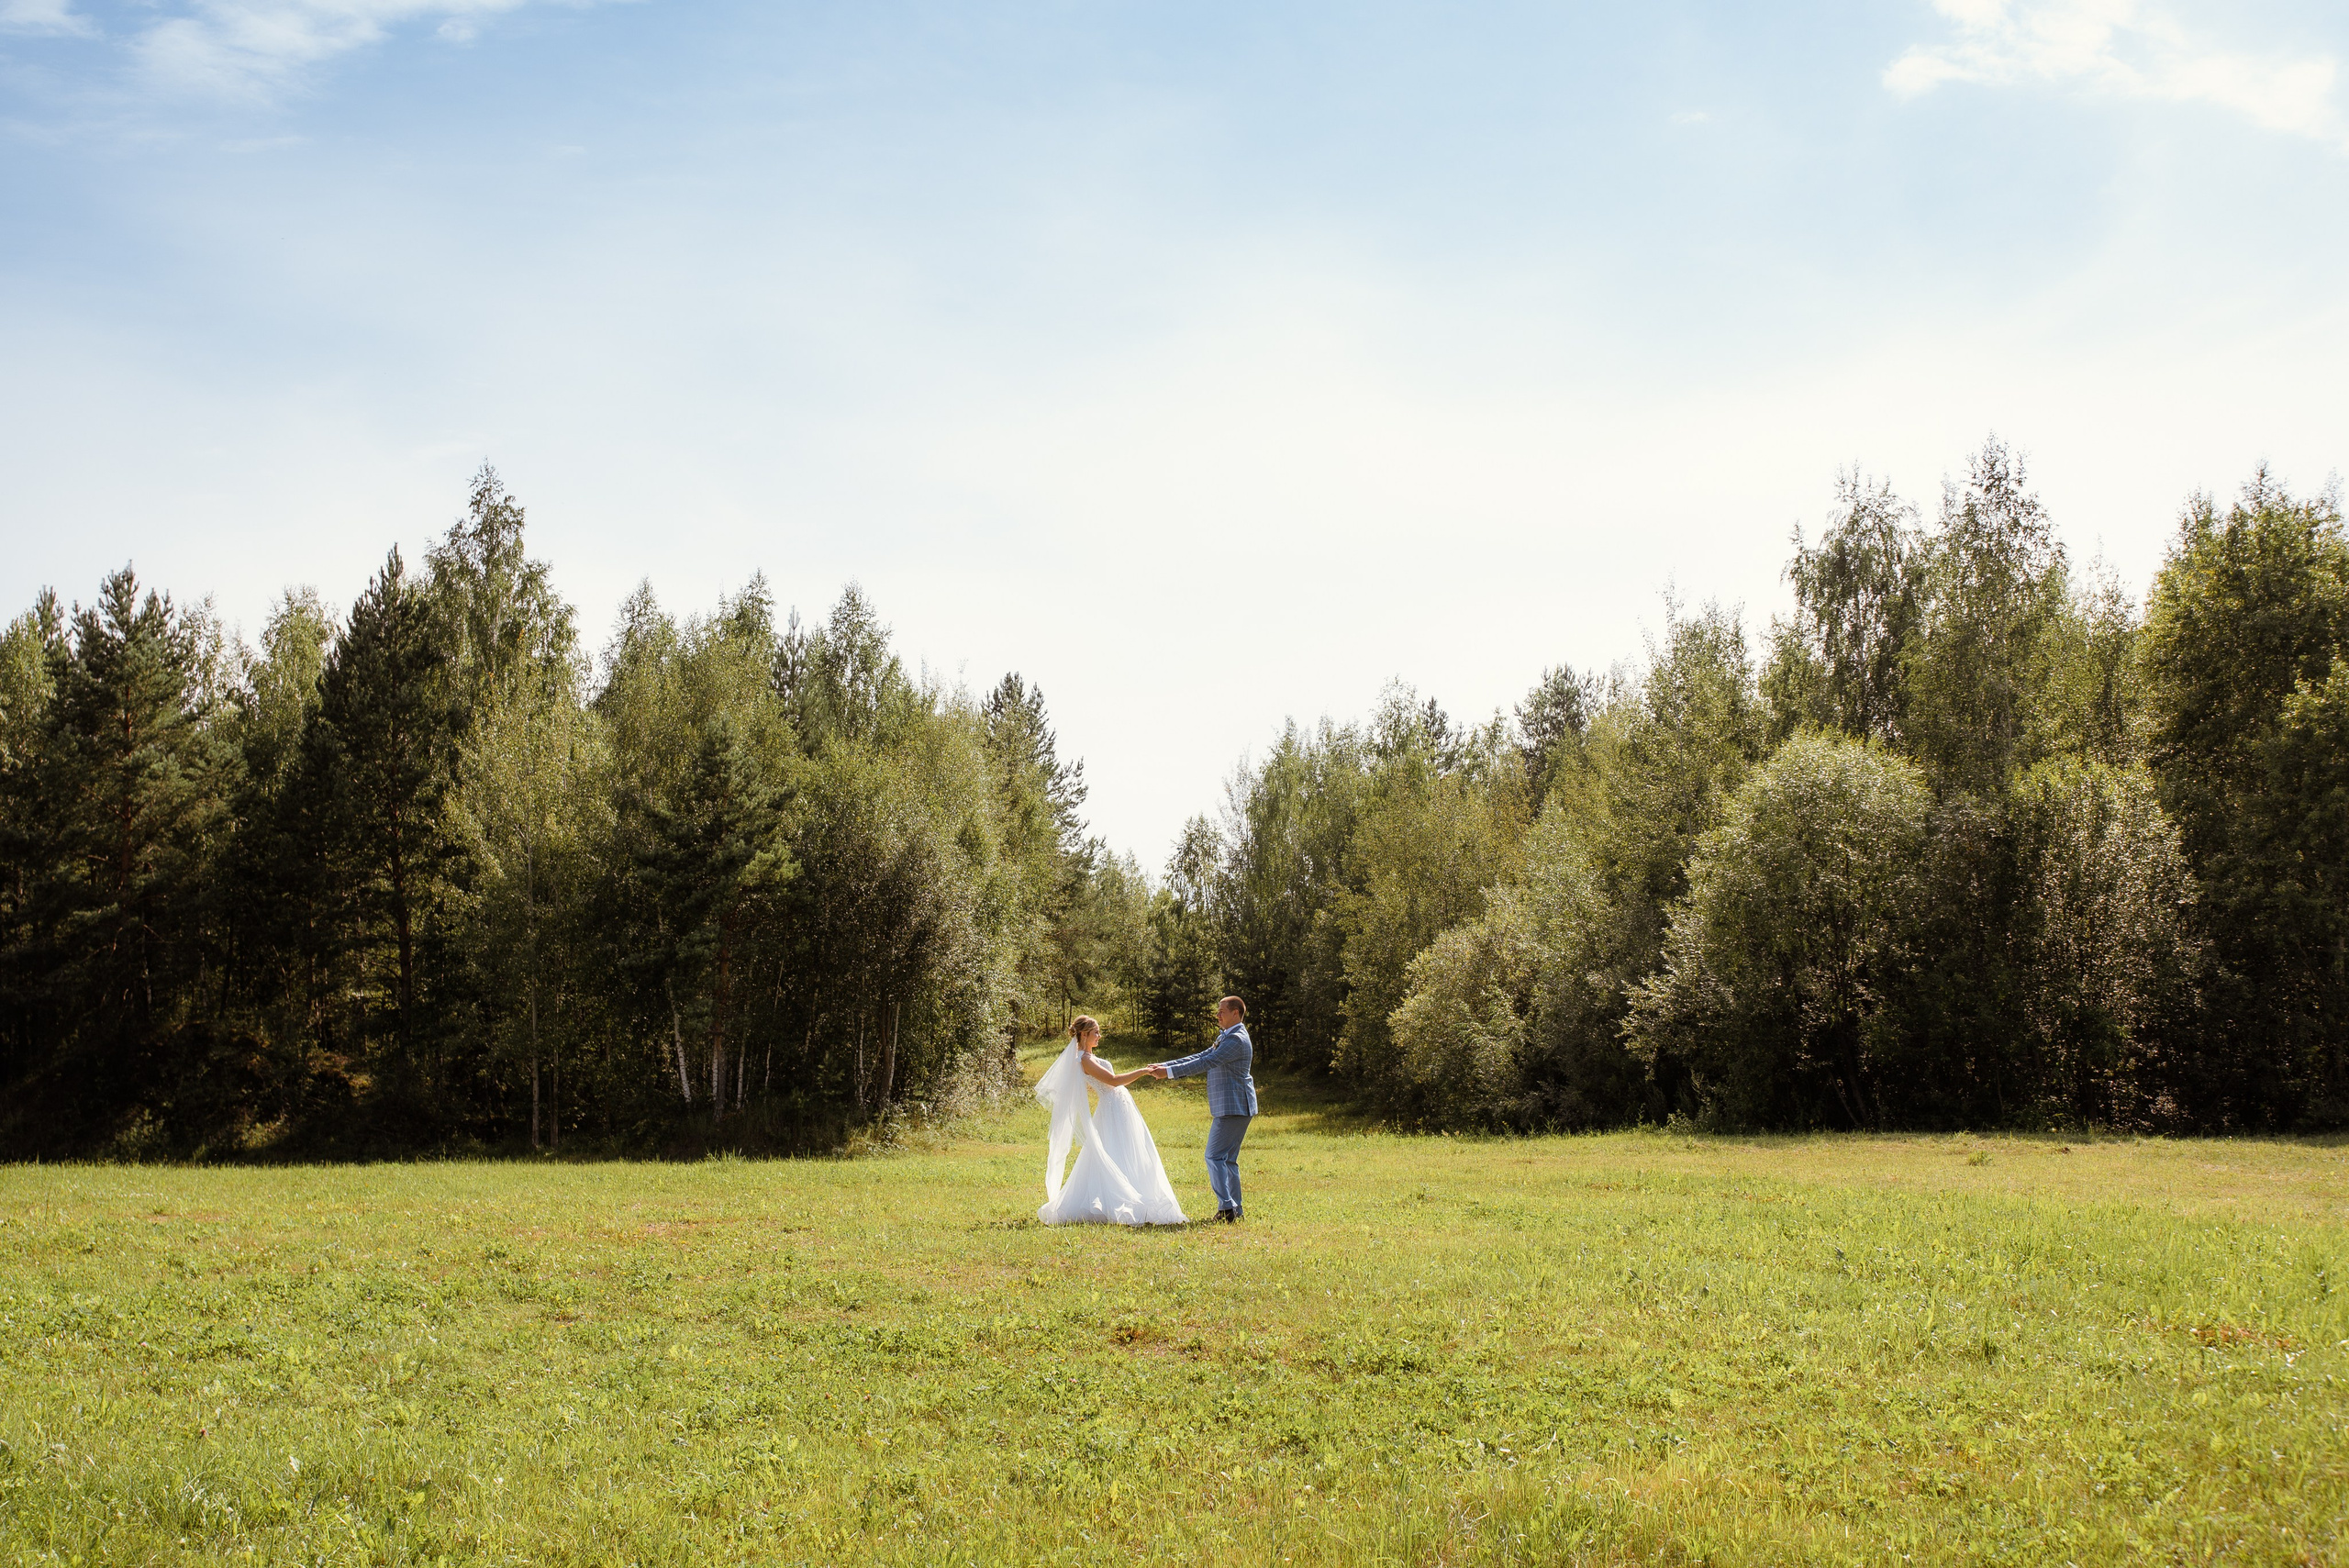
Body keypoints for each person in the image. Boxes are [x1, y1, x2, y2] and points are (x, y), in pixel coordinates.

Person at [1035, 1016, 1186, 1226]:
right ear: (1084, 1034)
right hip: (1112, 1107)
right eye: (1095, 1032)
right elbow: (1113, 1082)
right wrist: (1142, 1071)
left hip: (1120, 1107)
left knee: (1128, 1150)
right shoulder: (1084, 1060)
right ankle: (1122, 1200)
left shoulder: (1089, 1057)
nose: (1099, 1036)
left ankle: (1138, 1193)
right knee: (1117, 1150)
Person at [1147, 995, 1257, 1223]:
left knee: (1214, 1155)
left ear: (1236, 1013)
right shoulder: (1226, 1036)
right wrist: (1166, 1066)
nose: (1217, 1015)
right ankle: (1235, 1210)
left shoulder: (1236, 1039)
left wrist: (1168, 1074)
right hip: (1234, 1106)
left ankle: (1227, 1209)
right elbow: (1202, 1055)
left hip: (1234, 1106)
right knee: (1227, 1160)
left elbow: (1207, 1062)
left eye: (1222, 1011)